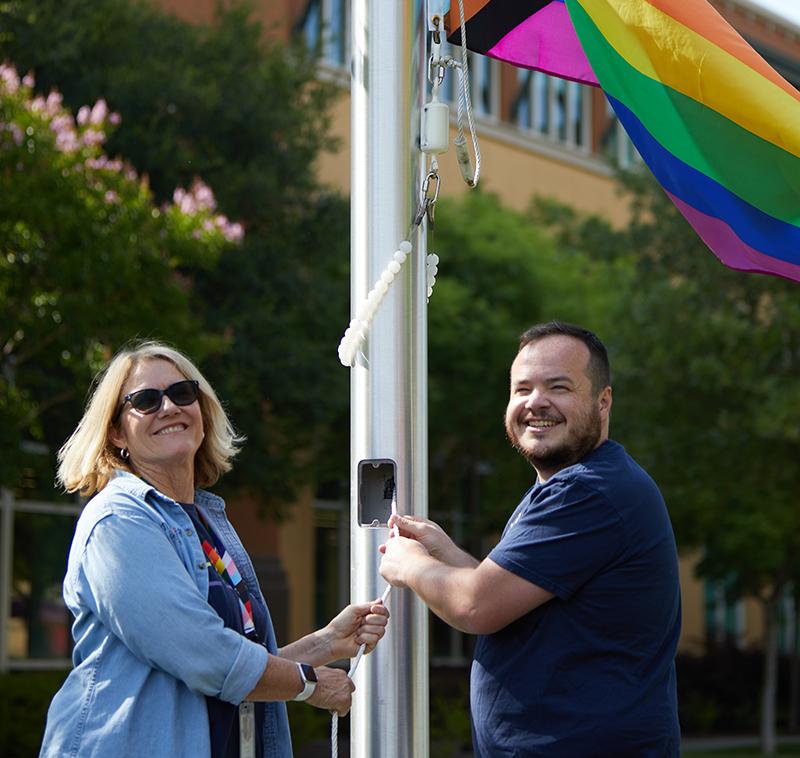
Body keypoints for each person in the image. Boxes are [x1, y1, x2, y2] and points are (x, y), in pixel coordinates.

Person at [41, 341, 389, 758]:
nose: (168, 407)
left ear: (202, 411)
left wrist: (326, 642)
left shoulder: (203, 522)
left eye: (182, 393)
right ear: (117, 433)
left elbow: (233, 670)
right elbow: (204, 655)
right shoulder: (117, 522)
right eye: (146, 401)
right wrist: (309, 682)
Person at [379, 321, 681, 756]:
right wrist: (444, 552)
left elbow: (475, 606)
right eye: (522, 389)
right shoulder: (569, 487)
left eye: (558, 387)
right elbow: (510, 604)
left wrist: (410, 565)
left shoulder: (590, 491)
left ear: (603, 401)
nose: (536, 403)